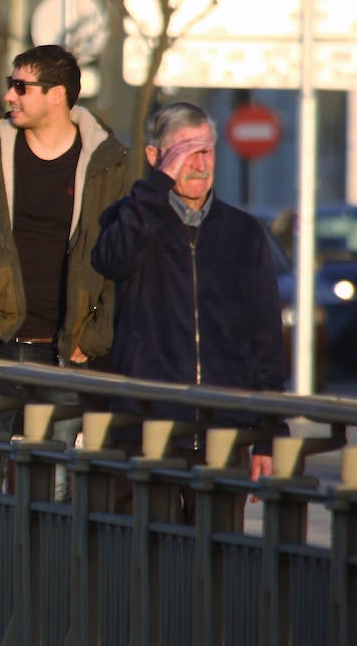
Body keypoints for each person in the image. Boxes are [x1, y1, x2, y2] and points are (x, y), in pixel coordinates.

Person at [91, 101, 285, 519]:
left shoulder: (244, 233)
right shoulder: (130, 220)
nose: (196, 164)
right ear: (153, 157)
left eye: (205, 151)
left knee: (214, 568)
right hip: (146, 432)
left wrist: (267, 435)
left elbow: (265, 338)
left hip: (222, 436)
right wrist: (154, 191)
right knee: (149, 566)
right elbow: (110, 260)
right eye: (181, 151)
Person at [0, 44, 130, 368]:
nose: (9, 95)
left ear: (56, 95)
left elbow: (121, 257)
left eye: (21, 87)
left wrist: (97, 335)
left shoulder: (108, 162)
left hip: (69, 349)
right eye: (11, 84)